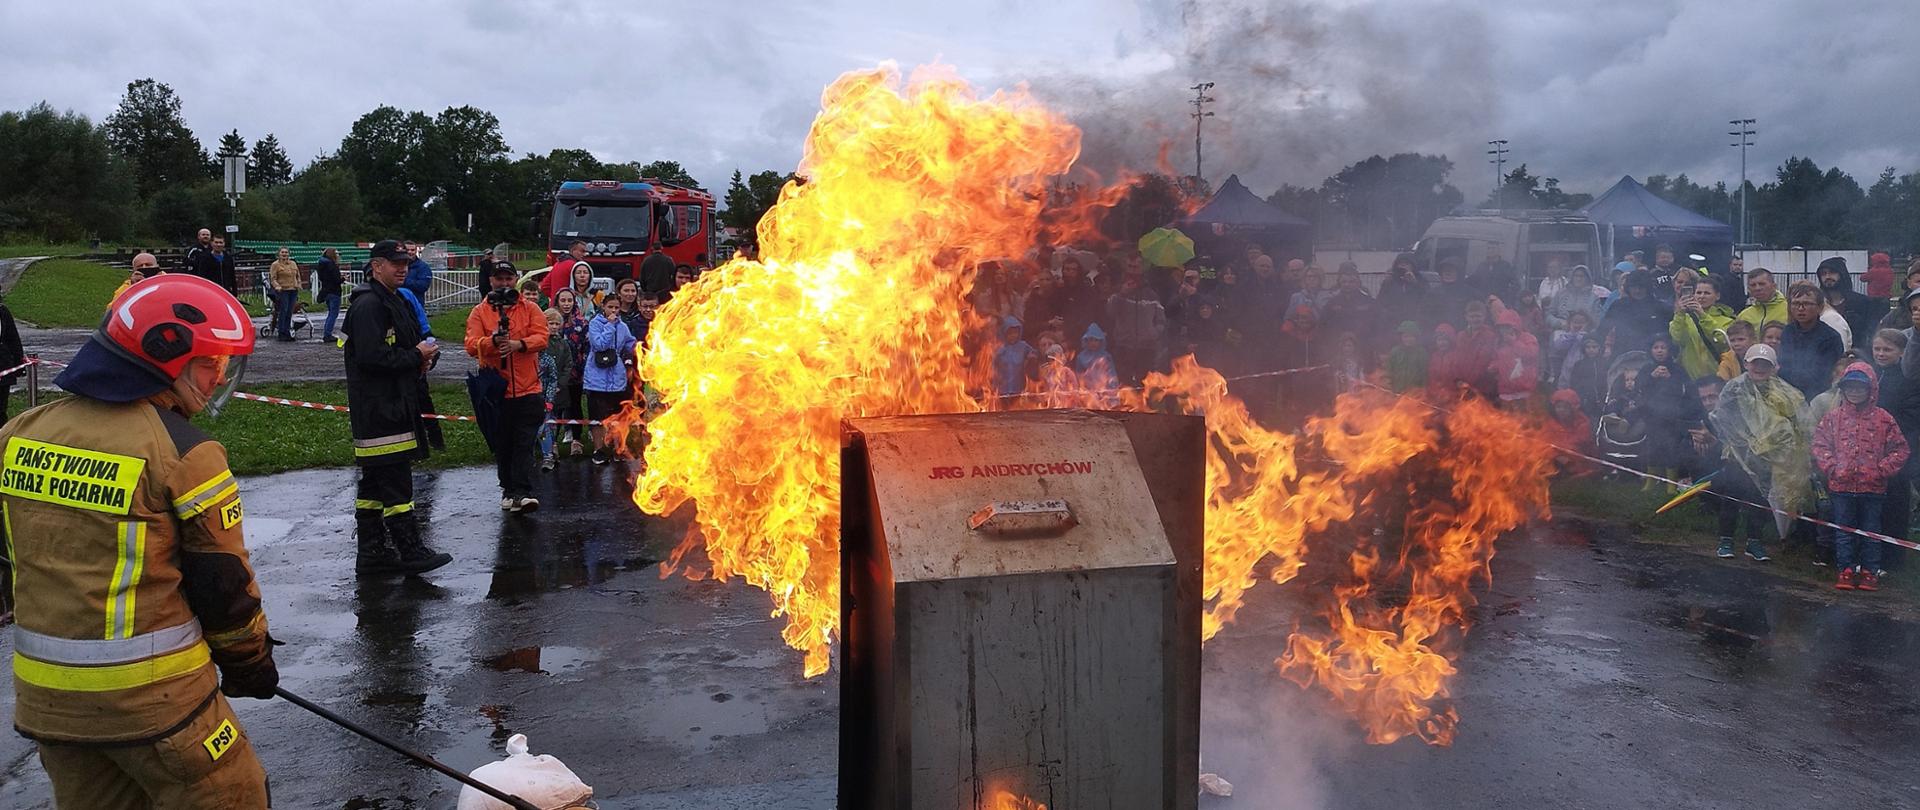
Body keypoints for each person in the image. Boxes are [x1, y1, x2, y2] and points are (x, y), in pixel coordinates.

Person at [4, 274, 275, 807]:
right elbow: (224, 588)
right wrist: (250, 662)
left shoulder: (19, 432)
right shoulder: (185, 453)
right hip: (158, 702)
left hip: (48, 704)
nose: (219, 375)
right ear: (162, 356)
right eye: (210, 362)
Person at [343, 240, 453, 576]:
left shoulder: (393, 300)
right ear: (376, 266)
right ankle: (410, 550)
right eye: (395, 263)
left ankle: (372, 554)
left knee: (374, 488)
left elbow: (409, 344)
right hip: (380, 411)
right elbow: (373, 357)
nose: (403, 268)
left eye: (405, 263)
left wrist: (421, 360)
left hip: (394, 404)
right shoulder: (368, 306)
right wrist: (416, 356)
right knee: (397, 484)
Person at [1709, 344, 1812, 561]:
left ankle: (1754, 542)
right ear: (1746, 363)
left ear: (1775, 367)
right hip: (1737, 456)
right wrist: (1744, 442)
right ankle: (1726, 540)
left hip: (1768, 458)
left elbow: (1796, 421)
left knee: (1759, 500)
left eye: (1765, 364)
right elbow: (1723, 417)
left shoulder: (1786, 393)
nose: (1759, 368)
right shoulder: (1734, 388)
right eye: (1755, 362)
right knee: (1732, 498)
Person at [1811, 362, 1909, 590]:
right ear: (1843, 389)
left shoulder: (1884, 419)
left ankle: (1869, 571)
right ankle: (1845, 569)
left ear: (1872, 389)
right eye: (1850, 387)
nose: (1855, 392)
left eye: (1860, 388)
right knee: (1844, 531)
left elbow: (1900, 449)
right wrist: (1832, 466)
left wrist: (1882, 469)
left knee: (1871, 532)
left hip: (1873, 489)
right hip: (1841, 487)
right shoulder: (1833, 418)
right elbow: (1819, 443)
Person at [465, 262, 550, 511]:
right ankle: (508, 489)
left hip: (528, 388)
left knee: (524, 442)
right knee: (503, 443)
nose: (504, 283)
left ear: (516, 280)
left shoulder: (531, 308)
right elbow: (471, 344)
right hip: (496, 391)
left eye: (508, 278)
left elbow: (542, 337)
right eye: (499, 279)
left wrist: (519, 344)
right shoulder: (480, 312)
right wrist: (492, 342)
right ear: (491, 281)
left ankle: (522, 492)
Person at [584, 296, 638, 464]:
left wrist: (639, 348)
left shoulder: (623, 326)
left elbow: (630, 344)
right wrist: (609, 326)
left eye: (616, 307)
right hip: (597, 377)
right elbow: (599, 344)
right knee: (597, 417)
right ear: (603, 307)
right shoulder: (595, 324)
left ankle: (618, 448)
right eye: (610, 307)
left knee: (618, 416)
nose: (614, 311)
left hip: (617, 377)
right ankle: (598, 449)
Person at [1778, 281, 1846, 400]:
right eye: (1795, 303)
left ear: (1820, 307)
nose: (1801, 308)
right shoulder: (1787, 332)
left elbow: (1824, 375)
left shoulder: (1830, 337)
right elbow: (1783, 365)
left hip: (1816, 397)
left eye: (1807, 304)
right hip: (1786, 395)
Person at [1106, 266, 1167, 384]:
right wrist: (1122, 294)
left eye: (1137, 266)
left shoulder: (1151, 294)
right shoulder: (1118, 292)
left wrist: (1154, 333)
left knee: (1144, 384)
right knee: (1124, 383)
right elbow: (1110, 312)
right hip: (1123, 345)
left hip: (1146, 347)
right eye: (1131, 267)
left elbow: (1161, 319)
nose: (1134, 272)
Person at [550, 288, 591, 458]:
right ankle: (552, 443)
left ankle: (576, 441)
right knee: (555, 408)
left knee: (575, 406)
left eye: (569, 301)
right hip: (554, 373)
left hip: (576, 372)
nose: (566, 304)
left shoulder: (581, 323)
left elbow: (586, 347)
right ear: (557, 302)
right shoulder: (550, 321)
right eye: (563, 300)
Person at [1670, 279, 1734, 379]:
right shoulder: (1684, 319)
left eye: (1707, 293)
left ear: (1717, 296)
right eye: (1698, 293)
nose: (1702, 296)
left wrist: (1702, 315)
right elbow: (1677, 339)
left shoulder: (1727, 321)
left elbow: (1722, 342)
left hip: (1719, 375)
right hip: (1691, 377)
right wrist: (1679, 314)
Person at [1599, 271, 1667, 354]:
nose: (1637, 291)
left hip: (1653, 355)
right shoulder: (1618, 306)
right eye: (1633, 287)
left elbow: (1668, 334)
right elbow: (1603, 329)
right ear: (1628, 288)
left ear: (1648, 288)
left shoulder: (1660, 308)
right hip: (1623, 354)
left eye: (1641, 287)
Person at [1817, 256, 1877, 349]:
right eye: (1824, 274)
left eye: (1832, 272)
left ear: (1842, 274)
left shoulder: (1862, 302)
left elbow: (1871, 333)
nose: (1827, 277)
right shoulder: (1817, 304)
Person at [1489, 308, 1539, 411]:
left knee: (1524, 422)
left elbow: (1531, 354)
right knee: (1508, 422)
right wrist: (1493, 367)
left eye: (1507, 327)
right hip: (1505, 391)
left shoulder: (1528, 338)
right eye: (1502, 327)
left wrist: (1514, 342)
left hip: (1524, 390)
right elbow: (1496, 359)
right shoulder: (1499, 342)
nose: (1504, 330)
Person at [1541, 388, 1594, 476]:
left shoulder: (1583, 423)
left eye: (1565, 407)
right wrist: (1556, 455)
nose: (1561, 410)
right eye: (1558, 407)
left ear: (1573, 408)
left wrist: (1561, 454)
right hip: (1557, 457)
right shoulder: (1551, 423)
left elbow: (1579, 445)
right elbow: (1545, 441)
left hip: (1579, 460)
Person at [990, 316, 1038, 403]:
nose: (1013, 336)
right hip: (1002, 389)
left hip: (1019, 387)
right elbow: (992, 365)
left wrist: (1031, 357)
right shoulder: (999, 348)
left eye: (1015, 333)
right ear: (1004, 333)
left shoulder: (1023, 346)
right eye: (1010, 333)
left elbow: (1033, 353)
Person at [1734, 268, 1788, 333]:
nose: (1757, 288)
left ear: (1774, 286)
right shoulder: (1743, 316)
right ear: (1748, 289)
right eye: (1753, 285)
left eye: (1762, 284)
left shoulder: (1789, 310)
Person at [267, 247, 303, 342]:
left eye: (286, 252)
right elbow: (273, 278)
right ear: (279, 254)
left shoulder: (293, 263)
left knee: (290, 311)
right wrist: (277, 286)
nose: (284, 254)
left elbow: (298, 275)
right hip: (283, 290)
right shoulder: (275, 265)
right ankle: (281, 332)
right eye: (282, 252)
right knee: (284, 310)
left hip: (293, 289)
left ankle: (287, 331)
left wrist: (299, 284)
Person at [1385, 320, 1428, 394]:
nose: (1408, 339)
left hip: (1414, 394)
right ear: (1401, 337)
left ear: (1416, 337)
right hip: (1397, 393)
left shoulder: (1421, 353)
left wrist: (1422, 391)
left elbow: (1424, 375)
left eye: (1411, 336)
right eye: (1405, 336)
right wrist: (1389, 388)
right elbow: (1388, 372)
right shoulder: (1395, 352)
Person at [1074, 323, 1118, 392]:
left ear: (1101, 341)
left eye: (1096, 340)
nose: (1093, 343)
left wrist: (1112, 386)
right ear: (1086, 340)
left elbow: (1111, 373)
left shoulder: (1106, 356)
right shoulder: (1081, 357)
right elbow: (1078, 375)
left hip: (1104, 390)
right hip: (1087, 391)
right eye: (1091, 339)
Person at [314, 247, 345, 343]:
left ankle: (327, 333)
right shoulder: (332, 265)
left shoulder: (321, 265)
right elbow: (336, 280)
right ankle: (327, 334)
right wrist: (343, 279)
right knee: (333, 314)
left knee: (330, 313)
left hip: (325, 291)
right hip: (334, 291)